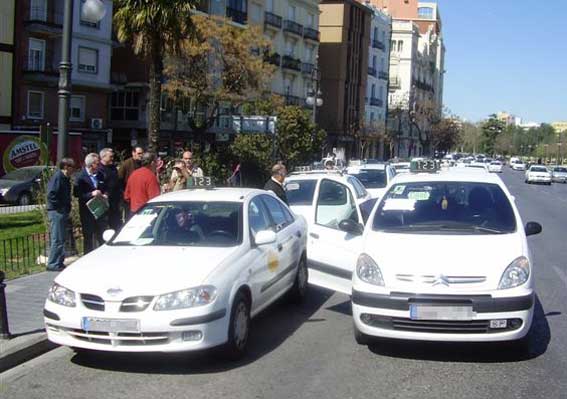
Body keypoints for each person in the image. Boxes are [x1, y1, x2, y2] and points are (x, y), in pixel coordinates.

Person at [74, 153, 108, 254]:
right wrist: (91, 194)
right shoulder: (80, 177)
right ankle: (87, 255)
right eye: (97, 164)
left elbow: (105, 187)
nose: (99, 166)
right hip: (87, 211)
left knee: (101, 234)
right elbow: (77, 194)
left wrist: (105, 194)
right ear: (91, 164)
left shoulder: (100, 175)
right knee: (88, 236)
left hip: (100, 210)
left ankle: (103, 254)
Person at [46, 158, 75, 271]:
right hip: (57, 211)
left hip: (62, 210)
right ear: (66, 167)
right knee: (57, 238)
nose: (74, 170)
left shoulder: (65, 178)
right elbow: (51, 195)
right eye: (72, 167)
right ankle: (53, 263)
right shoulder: (58, 177)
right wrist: (60, 207)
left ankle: (59, 261)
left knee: (61, 238)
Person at [124, 151, 161, 218]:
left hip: (133, 212)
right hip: (146, 213)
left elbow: (127, 196)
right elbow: (155, 200)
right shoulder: (150, 176)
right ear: (152, 163)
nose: (157, 165)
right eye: (156, 162)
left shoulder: (133, 174)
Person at [98, 148, 121, 230]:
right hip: (104, 201)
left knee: (117, 224)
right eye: (110, 157)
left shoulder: (113, 168)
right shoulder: (99, 169)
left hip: (115, 201)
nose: (112, 158)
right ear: (103, 157)